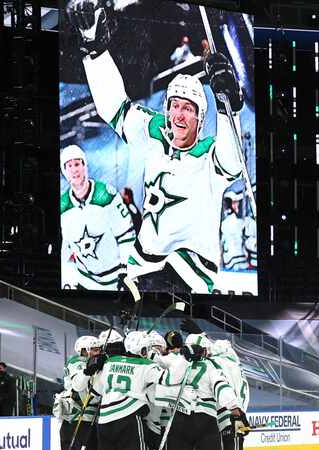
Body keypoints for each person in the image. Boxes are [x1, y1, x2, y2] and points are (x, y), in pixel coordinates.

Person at [67, 0, 248, 293]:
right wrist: (95, 51)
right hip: (143, 267)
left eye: (188, 108)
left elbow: (233, 161)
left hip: (191, 273)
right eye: (174, 106)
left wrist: (231, 108)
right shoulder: (154, 132)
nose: (178, 114)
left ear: (200, 120)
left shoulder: (209, 157)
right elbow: (113, 106)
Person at [60, 144, 136, 290]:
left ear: (85, 166)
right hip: (84, 281)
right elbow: (65, 248)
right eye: (69, 166)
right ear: (65, 172)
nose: (74, 170)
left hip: (115, 281)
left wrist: (127, 273)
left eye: (77, 164)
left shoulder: (106, 195)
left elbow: (126, 236)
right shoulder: (63, 206)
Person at [221, 190, 257, 270]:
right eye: (234, 202)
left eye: (236, 202)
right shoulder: (237, 222)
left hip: (232, 264)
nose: (237, 204)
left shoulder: (226, 223)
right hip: (238, 264)